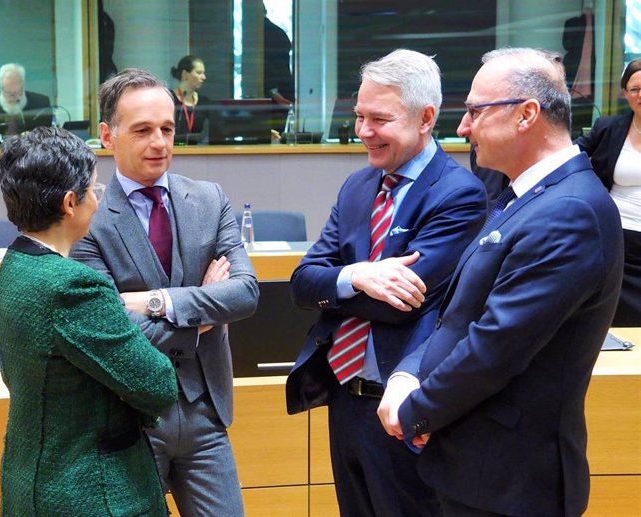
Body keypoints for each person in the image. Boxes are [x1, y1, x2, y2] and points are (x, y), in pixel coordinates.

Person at [378, 48, 624, 517]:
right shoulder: (523, 197)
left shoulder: (570, 211)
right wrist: (408, 373)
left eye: (475, 111)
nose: (463, 128)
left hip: (512, 483)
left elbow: (496, 345)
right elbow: (457, 310)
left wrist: (415, 411)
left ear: (526, 115)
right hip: (474, 468)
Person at [285, 49, 487, 517]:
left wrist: (336, 288)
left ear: (425, 118)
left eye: (379, 119)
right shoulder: (358, 186)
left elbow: (406, 304)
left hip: (403, 406)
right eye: (358, 116)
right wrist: (360, 275)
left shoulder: (459, 194)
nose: (363, 132)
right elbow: (300, 282)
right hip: (343, 396)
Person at [70, 68, 259, 517]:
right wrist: (204, 315)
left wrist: (159, 302)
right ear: (107, 136)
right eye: (143, 130)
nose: (160, 142)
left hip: (205, 413)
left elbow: (246, 292)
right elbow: (110, 328)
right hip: (129, 416)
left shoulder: (210, 199)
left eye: (167, 129)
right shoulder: (85, 220)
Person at [0, 126, 179, 516]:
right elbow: (157, 383)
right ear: (70, 203)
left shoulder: (12, 267)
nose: (98, 199)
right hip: (91, 491)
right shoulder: (74, 285)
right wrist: (183, 318)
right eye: (94, 190)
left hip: (31, 477)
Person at [574, 58, 641, 327]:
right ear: (625, 94)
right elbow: (567, 156)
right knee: (613, 316)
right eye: (635, 89)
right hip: (618, 237)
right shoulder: (608, 129)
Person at [0, 63, 52, 134]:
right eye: (8, 93)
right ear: (0, 86)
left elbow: (46, 138)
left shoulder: (41, 104)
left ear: (23, 85)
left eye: (17, 93)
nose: (13, 98)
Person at [169, 55, 210, 136]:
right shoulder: (168, 98)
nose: (204, 77)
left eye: (203, 73)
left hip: (197, 148)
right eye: (199, 73)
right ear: (185, 74)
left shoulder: (204, 101)